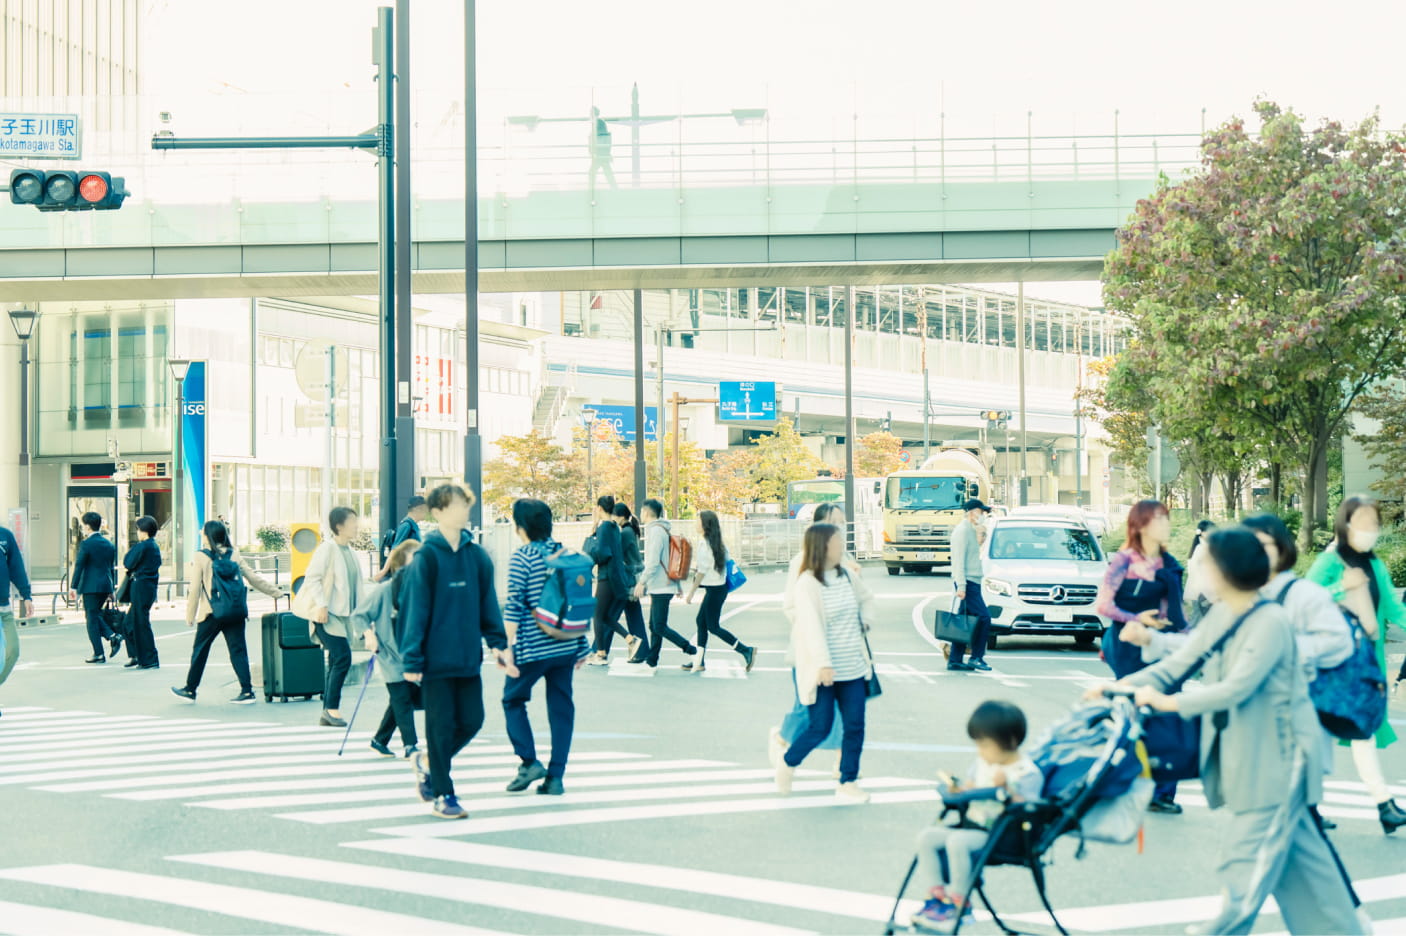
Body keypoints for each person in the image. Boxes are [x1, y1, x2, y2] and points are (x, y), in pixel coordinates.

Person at [1096, 527, 1363, 936]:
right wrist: (1122, 686)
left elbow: (1238, 686)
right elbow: (1181, 661)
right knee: (1308, 872)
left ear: (1226, 570)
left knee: (1246, 863)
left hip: (1279, 761)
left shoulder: (1270, 620)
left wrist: (1170, 703)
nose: (1199, 569)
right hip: (1250, 755)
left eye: (1206, 562)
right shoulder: (1225, 613)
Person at [400, 483, 515, 820]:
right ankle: (443, 794)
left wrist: (498, 644)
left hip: (467, 657)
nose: (464, 510)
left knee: (472, 720)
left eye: (466, 504)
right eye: (456, 505)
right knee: (440, 727)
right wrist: (412, 658)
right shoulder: (427, 556)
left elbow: (487, 605)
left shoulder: (477, 556)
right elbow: (415, 609)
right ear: (437, 512)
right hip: (434, 661)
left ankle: (429, 763)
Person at [1305, 495, 1406, 835]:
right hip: (1330, 666)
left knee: (1360, 731)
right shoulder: (1330, 561)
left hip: (1364, 665)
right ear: (1345, 523)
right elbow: (1303, 601)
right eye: (1362, 521)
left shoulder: (1375, 564)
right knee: (1323, 733)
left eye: (1374, 523)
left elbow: (1394, 608)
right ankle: (1313, 805)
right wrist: (1339, 587)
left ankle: (1382, 805)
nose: (1369, 529)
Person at [910, 701, 1045, 933]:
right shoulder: (982, 763)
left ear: (1010, 742)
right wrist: (964, 789)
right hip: (973, 824)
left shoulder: (1027, 773)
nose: (980, 752)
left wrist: (1010, 792)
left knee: (957, 842)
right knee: (927, 837)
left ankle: (960, 903)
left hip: (1001, 835)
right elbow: (973, 788)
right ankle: (936, 897)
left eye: (984, 746)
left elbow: (1030, 809)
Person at [1095, 498, 1188, 814]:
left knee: (1168, 713)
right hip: (1127, 645)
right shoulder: (1124, 560)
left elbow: (1176, 610)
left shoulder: (1169, 563)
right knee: (1136, 712)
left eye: (1167, 519)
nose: (1166, 525)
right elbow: (1104, 605)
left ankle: (1162, 792)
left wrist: (1181, 637)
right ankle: (1122, 779)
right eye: (1160, 519)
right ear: (1142, 525)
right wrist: (1138, 620)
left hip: (1162, 642)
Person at [777, 522, 876, 804]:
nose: (841, 545)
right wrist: (822, 663)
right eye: (837, 541)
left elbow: (867, 599)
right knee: (820, 727)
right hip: (824, 670)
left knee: (855, 726)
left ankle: (848, 781)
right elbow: (810, 627)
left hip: (853, 667)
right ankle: (788, 762)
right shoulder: (807, 582)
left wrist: (865, 622)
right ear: (823, 546)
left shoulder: (845, 575)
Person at [501, 498, 590, 796]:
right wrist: (582, 645)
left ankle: (529, 762)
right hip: (566, 645)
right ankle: (556, 777)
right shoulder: (564, 553)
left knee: (512, 700)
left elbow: (514, 604)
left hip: (532, 647)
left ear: (520, 527)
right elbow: (575, 599)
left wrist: (505, 647)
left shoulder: (523, 557)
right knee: (561, 708)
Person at [769, 501, 852, 773]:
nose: (841, 528)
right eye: (835, 522)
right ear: (820, 526)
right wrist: (815, 625)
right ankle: (783, 737)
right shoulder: (801, 561)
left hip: (842, 648)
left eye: (843, 523)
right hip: (810, 649)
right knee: (807, 705)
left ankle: (843, 761)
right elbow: (791, 606)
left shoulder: (844, 560)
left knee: (843, 707)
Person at [171, 520, 284, 705]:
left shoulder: (201, 556)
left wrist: (190, 614)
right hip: (234, 611)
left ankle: (190, 689)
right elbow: (253, 578)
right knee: (238, 651)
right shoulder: (234, 554)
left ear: (208, 536)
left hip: (211, 612)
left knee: (200, 651)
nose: (201, 534)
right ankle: (247, 691)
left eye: (203, 532)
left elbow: (195, 589)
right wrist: (276, 592)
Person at [355, 539, 421, 759]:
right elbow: (359, 615)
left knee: (402, 699)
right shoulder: (384, 590)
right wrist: (369, 635)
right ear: (401, 565)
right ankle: (410, 745)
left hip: (412, 656)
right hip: (390, 655)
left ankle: (379, 740)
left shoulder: (423, 590)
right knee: (402, 698)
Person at [302, 506, 365, 728]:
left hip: (343, 617)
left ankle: (327, 711)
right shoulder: (327, 549)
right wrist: (321, 604)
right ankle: (331, 709)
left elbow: (355, 588)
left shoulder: (351, 552)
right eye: (353, 522)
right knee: (342, 658)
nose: (357, 526)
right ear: (339, 526)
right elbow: (312, 578)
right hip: (326, 615)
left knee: (335, 659)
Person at [685, 510, 756, 673]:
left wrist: (691, 593)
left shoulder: (705, 544)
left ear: (705, 525)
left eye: (698, 521)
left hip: (715, 590)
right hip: (718, 589)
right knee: (701, 622)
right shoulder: (717, 543)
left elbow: (701, 572)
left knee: (713, 626)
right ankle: (699, 660)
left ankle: (746, 650)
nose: (696, 523)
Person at [633, 499, 699, 669]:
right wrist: (676, 585)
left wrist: (642, 582)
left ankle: (690, 649)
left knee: (659, 626)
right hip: (663, 585)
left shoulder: (655, 531)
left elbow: (654, 562)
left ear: (647, 512)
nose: (640, 514)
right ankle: (652, 659)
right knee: (654, 625)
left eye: (641, 511)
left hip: (661, 586)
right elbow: (669, 561)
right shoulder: (662, 529)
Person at [948, 498, 992, 673]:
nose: (982, 515)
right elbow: (958, 561)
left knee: (962, 621)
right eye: (981, 512)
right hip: (969, 582)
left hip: (971, 581)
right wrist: (961, 586)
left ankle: (955, 659)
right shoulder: (962, 531)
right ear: (972, 512)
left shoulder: (968, 530)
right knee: (984, 618)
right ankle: (976, 657)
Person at [585, 496, 630, 665]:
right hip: (615, 575)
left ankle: (601, 654)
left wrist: (591, 535)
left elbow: (602, 553)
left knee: (597, 614)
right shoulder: (613, 527)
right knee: (604, 615)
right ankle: (629, 638)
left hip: (606, 575)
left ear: (599, 508)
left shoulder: (604, 527)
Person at [70, 511, 119, 663]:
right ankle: (112, 636)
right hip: (105, 585)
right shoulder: (109, 544)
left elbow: (79, 565)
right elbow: (111, 567)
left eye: (84, 525)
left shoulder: (86, 544)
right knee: (95, 615)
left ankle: (99, 652)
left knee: (91, 619)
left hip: (90, 587)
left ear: (87, 526)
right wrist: (111, 589)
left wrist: (73, 587)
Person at [0, 522, 34, 713]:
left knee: (12, 652)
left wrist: (26, 595)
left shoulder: (4, 536)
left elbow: (16, 567)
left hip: (3, 607)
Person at [121, 515, 162, 670]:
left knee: (141, 623)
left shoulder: (144, 546)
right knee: (129, 622)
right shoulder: (153, 546)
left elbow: (127, 562)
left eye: (138, 529)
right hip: (148, 588)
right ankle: (136, 655)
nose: (137, 532)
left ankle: (149, 659)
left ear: (144, 531)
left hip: (141, 587)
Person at [612, 502, 650, 664]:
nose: (612, 518)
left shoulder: (625, 532)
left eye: (614, 515)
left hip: (630, 578)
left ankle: (599, 651)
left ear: (620, 516)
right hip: (634, 577)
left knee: (609, 615)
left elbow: (615, 552)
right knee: (633, 615)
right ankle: (642, 651)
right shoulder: (629, 530)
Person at [374, 495, 427, 581]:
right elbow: (395, 549)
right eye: (425, 509)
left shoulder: (413, 525)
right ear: (417, 509)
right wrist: (383, 571)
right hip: (405, 573)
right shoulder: (406, 525)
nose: (427, 512)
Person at [1183, 519, 1218, 624]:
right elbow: (1197, 574)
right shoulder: (1200, 549)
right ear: (1202, 533)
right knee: (1197, 621)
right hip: (1201, 592)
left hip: (1206, 592)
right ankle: (1186, 639)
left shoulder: (1206, 548)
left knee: (1204, 622)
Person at [587, 105, 618, 193]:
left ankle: (591, 189)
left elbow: (601, 137)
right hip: (601, 152)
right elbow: (605, 137)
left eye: (590, 112)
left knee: (593, 172)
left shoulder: (598, 122)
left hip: (600, 152)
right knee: (606, 171)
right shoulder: (599, 122)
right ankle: (614, 188)